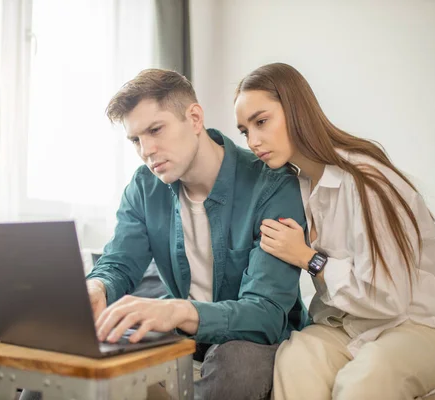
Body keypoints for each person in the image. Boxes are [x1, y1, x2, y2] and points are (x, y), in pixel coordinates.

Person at [21, 68, 307, 400]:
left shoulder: (273, 185)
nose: (146, 150)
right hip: (180, 330)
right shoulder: (144, 186)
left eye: (156, 130)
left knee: (237, 361)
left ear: (195, 118)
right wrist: (97, 286)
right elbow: (120, 262)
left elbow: (266, 312)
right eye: (136, 139)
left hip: (249, 334)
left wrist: (178, 310)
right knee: (61, 357)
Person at [233, 62, 435, 400]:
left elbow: (390, 296)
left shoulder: (368, 180)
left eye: (261, 122)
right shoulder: (295, 188)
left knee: (365, 380)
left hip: (423, 324)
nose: (254, 141)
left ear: (295, 109)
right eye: (245, 131)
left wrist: (309, 258)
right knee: (295, 359)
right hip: (349, 325)